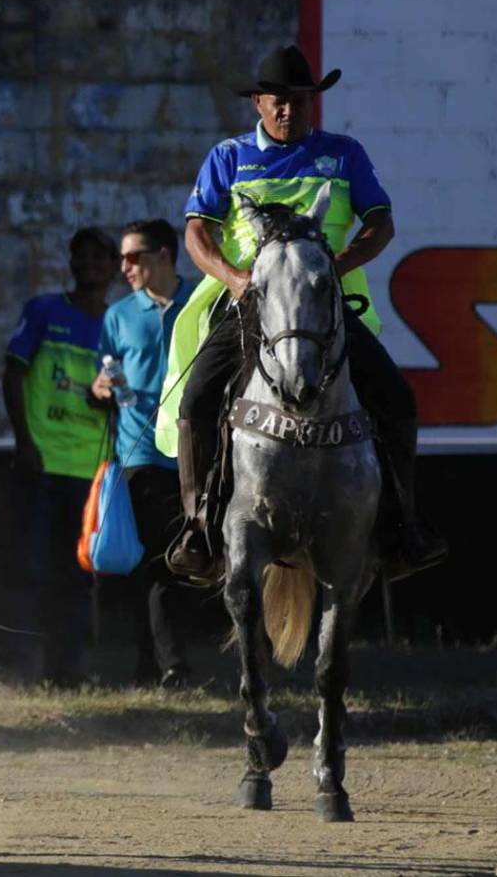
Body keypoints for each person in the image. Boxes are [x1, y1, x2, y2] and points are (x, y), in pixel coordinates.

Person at [159, 45, 447, 581]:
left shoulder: (344, 154)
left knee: (397, 399)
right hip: (251, 305)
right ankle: (198, 528)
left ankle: (402, 525)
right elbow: (196, 233)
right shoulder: (228, 156)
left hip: (323, 305)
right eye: (280, 101)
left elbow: (379, 223)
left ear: (313, 102)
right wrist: (236, 279)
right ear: (259, 104)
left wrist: (336, 267)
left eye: (301, 100)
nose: (290, 110)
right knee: (197, 398)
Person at [1, 227, 118, 686]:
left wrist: (108, 395)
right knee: (30, 570)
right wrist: (24, 442)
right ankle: (20, 666)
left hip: (90, 474)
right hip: (42, 464)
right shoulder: (45, 311)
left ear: (113, 268)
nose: (88, 264)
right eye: (80, 256)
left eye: (98, 257)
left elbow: (123, 395)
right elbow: (12, 375)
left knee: (77, 577)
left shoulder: (117, 323)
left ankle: (67, 670)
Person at [90, 220, 196, 688]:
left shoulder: (202, 302)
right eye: (122, 258)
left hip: (198, 454)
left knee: (186, 559)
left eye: (135, 257)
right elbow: (104, 377)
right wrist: (101, 387)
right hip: (140, 454)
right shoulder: (118, 315)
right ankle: (167, 664)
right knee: (153, 560)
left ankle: (158, 662)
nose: (124, 267)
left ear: (166, 256)